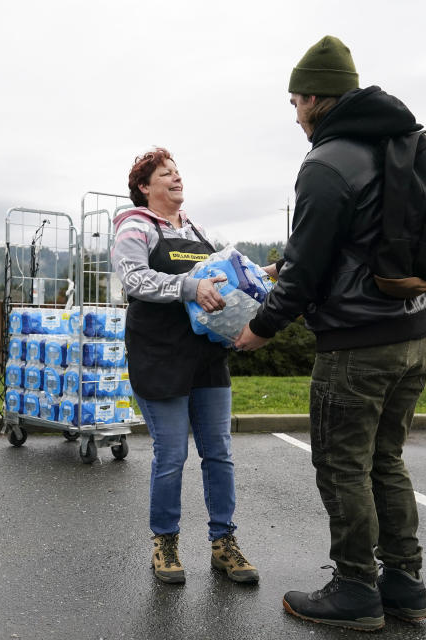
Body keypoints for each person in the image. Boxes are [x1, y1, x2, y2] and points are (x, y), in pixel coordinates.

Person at [235, 36, 426, 630]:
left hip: (356, 345)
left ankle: (355, 590)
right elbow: (353, 240)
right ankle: (404, 584)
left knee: (344, 467)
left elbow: (311, 269)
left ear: (317, 98)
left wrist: (261, 328)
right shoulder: (403, 142)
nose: (295, 113)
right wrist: (286, 263)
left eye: (296, 101)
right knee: (386, 461)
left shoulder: (325, 163)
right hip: (414, 334)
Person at [112, 147, 259, 585]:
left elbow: (226, 274)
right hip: (159, 355)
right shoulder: (135, 226)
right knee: (172, 455)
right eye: (165, 174)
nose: (177, 178)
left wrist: (264, 275)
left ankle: (223, 543)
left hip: (207, 356)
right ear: (144, 187)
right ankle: (166, 543)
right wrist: (190, 286)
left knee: (219, 453)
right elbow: (134, 278)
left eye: (178, 172)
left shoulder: (197, 229)